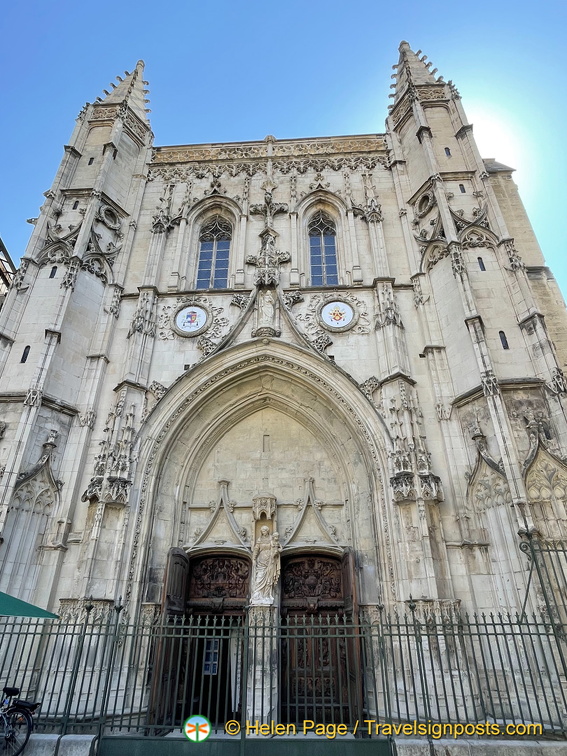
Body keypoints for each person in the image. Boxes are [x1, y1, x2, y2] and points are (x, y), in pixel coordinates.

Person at [251, 526, 281, 605]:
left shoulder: (271, 538)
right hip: (261, 560)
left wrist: (276, 552)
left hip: (270, 560)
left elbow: (277, 547)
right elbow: (256, 549)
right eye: (262, 531)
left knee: (269, 579)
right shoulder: (259, 539)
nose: (264, 532)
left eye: (265, 530)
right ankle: (257, 594)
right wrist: (254, 558)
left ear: (268, 531)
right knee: (259, 577)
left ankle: (266, 596)